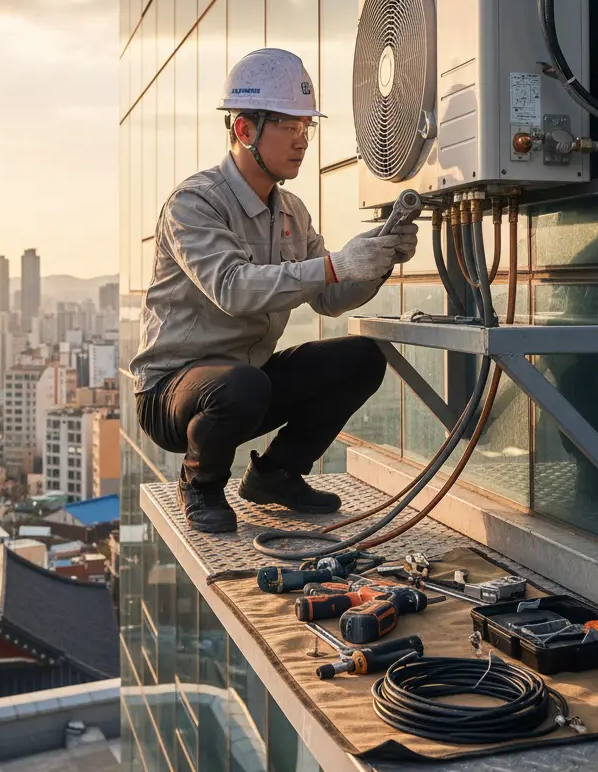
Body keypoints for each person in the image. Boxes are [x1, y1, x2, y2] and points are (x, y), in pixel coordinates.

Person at [130, 48, 418, 533]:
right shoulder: (195, 204)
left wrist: (375, 262)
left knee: (362, 358)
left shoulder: (293, 212)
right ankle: (200, 483)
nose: (302, 141)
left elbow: (329, 297)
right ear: (245, 130)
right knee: (243, 385)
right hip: (172, 394)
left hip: (248, 382)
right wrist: (334, 264)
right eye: (290, 126)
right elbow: (232, 288)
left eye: (307, 128)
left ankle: (277, 474)